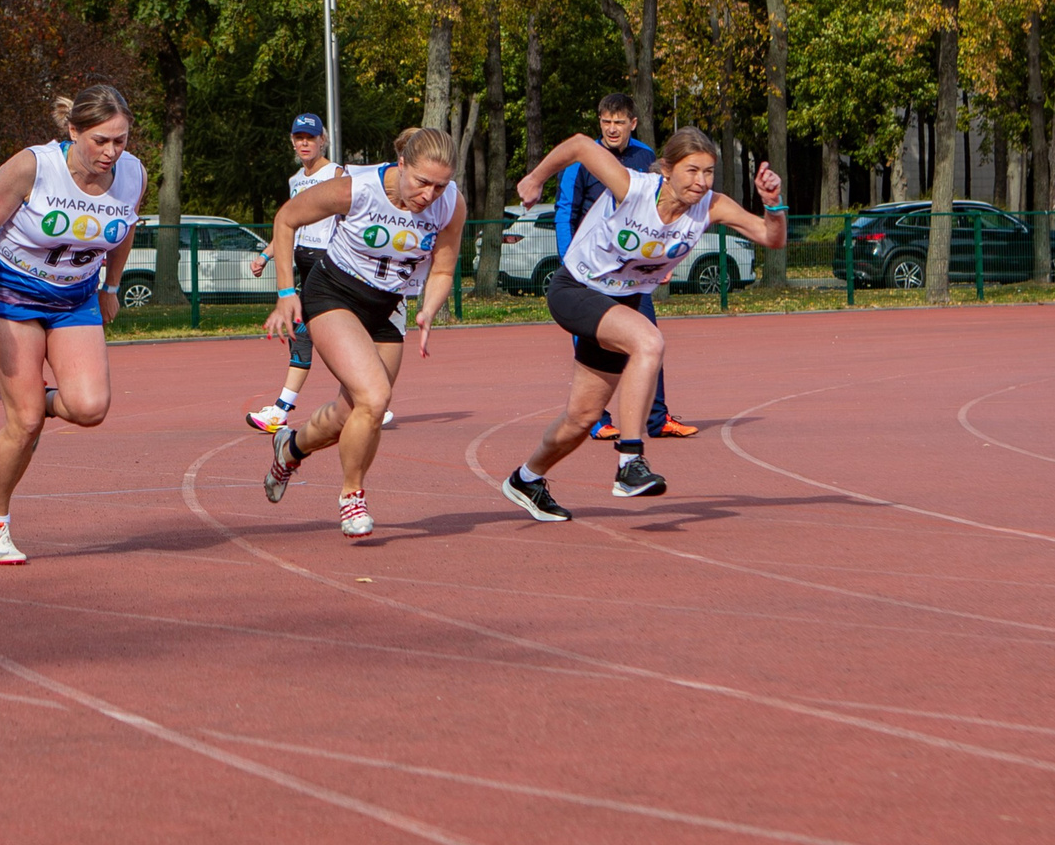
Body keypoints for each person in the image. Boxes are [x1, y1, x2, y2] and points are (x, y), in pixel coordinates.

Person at [499, 128, 786, 521]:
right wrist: (535, 178)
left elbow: (771, 238)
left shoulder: (711, 206)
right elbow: (582, 145)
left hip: (622, 302)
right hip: (576, 289)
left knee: (581, 418)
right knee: (649, 342)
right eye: (691, 171)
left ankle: (526, 479)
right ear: (666, 169)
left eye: (708, 172)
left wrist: (774, 204)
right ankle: (629, 462)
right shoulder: (633, 187)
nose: (701, 182)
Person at [0, 87, 147, 565]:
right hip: (11, 297)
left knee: (90, 408)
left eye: (121, 141)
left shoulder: (132, 175)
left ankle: (37, 395)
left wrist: (111, 285)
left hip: (75, 299)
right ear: (73, 132)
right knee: (24, 424)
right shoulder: (32, 167)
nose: (111, 152)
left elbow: (124, 230)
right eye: (101, 141)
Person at [259, 127, 465, 537]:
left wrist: (429, 309)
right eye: (422, 182)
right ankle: (351, 495)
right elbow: (286, 219)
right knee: (375, 397)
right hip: (334, 293)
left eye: (440, 186)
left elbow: (442, 267)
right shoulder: (357, 188)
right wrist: (285, 292)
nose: (429, 195)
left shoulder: (450, 205)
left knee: (349, 413)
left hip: (388, 307)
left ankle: (290, 447)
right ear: (402, 164)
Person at [556, 94, 693, 442]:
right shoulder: (582, 163)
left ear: (632, 123)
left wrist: (663, 260)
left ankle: (657, 419)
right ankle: (597, 420)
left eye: (618, 122)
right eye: (605, 121)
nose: (611, 128)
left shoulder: (648, 157)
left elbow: (665, 210)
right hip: (591, 273)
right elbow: (565, 212)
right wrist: (571, 263)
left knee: (650, 339)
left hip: (633, 273)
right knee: (592, 344)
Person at [245, 114, 344, 435]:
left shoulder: (337, 174)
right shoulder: (295, 180)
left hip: (328, 264)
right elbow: (289, 223)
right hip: (303, 263)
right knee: (321, 335)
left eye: (310, 138)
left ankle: (281, 410)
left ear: (322, 141)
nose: (304, 143)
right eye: (298, 137)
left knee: (303, 332)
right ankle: (368, 398)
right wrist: (265, 254)